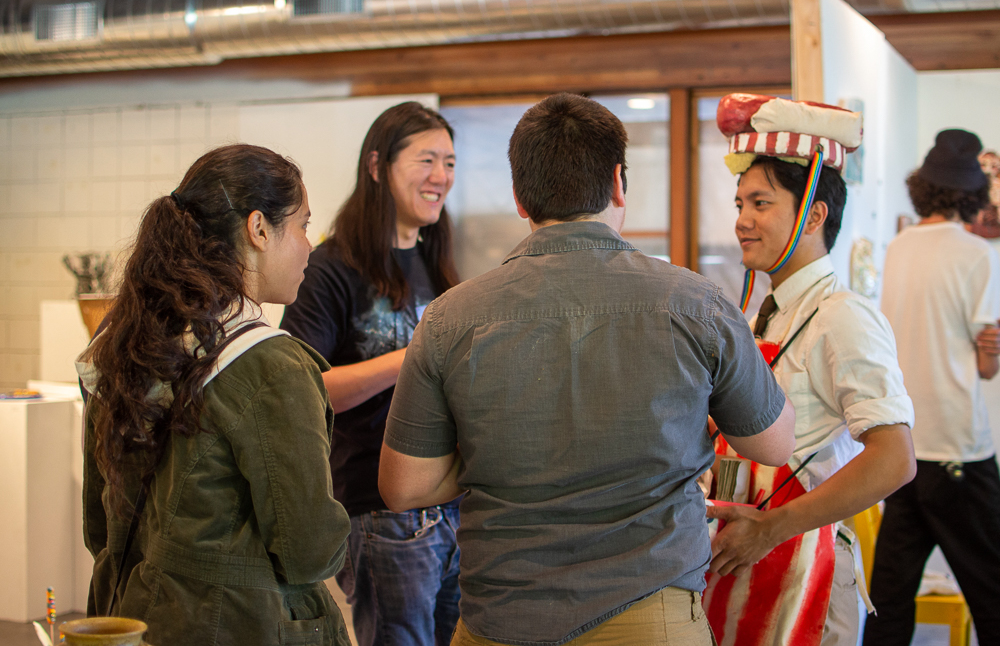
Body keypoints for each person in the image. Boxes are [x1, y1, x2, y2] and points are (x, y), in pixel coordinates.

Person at [378, 92, 796, 646]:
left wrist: (502, 453)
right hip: (651, 613)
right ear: (619, 182)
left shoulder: (452, 317)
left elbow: (404, 486)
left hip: (502, 616)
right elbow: (773, 445)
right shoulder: (695, 302)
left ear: (520, 198)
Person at [76, 144, 352, 646]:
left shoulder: (126, 344)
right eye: (304, 226)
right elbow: (308, 550)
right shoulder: (272, 366)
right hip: (244, 625)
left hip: (137, 617)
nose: (311, 246)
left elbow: (101, 525)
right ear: (259, 229)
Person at [704, 94, 916, 646]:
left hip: (807, 568)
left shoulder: (843, 316)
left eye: (760, 204)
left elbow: (895, 459)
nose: (742, 221)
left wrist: (772, 527)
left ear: (815, 214)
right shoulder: (765, 315)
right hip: (746, 560)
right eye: (739, 203)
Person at [279, 102, 462, 646]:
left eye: (450, 162)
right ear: (378, 166)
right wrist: (410, 356)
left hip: (448, 501)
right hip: (379, 509)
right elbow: (304, 389)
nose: (441, 177)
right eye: (426, 159)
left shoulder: (436, 261)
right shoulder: (331, 268)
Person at [864, 129, 1000, 646]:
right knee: (991, 588)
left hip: (904, 446)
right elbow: (985, 366)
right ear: (972, 194)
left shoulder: (897, 247)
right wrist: (991, 349)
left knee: (891, 596)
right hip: (959, 447)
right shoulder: (975, 253)